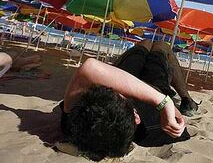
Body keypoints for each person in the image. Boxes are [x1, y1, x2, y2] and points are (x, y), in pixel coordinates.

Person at [60, 40, 199, 161]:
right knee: (161, 46)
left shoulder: (74, 119)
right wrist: (163, 101)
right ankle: (186, 98)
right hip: (154, 84)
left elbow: (90, 68)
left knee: (144, 44)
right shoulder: (153, 129)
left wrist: (164, 103)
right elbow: (90, 68)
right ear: (136, 117)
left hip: (124, 74)